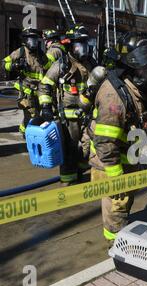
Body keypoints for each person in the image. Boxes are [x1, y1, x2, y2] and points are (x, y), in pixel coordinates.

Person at [89, 32, 147, 247]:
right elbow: (105, 142)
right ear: (132, 68)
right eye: (145, 67)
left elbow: (146, 123)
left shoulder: (138, 89)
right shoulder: (113, 96)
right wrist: (117, 177)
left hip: (128, 156)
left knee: (125, 201)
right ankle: (116, 246)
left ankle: (120, 232)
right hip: (110, 163)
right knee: (117, 204)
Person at [38, 25, 95, 186]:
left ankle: (80, 169)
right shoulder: (62, 64)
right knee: (69, 150)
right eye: (79, 45)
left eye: (85, 44)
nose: (83, 49)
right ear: (70, 46)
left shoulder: (91, 62)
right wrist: (46, 107)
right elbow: (45, 85)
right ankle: (68, 184)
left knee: (89, 147)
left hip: (88, 115)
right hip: (69, 118)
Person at [1, 28, 48, 136]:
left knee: (39, 114)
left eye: (36, 40)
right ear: (26, 41)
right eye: (31, 40)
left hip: (39, 90)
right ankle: (26, 133)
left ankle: (25, 130)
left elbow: (48, 68)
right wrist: (15, 65)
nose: (34, 43)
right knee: (31, 114)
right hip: (26, 90)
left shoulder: (40, 54)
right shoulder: (21, 51)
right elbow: (3, 63)